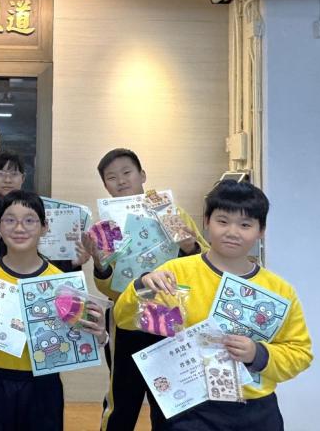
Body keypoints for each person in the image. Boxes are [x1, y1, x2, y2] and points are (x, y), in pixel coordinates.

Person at [113, 180, 313, 431]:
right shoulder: (175, 273)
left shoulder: (279, 290)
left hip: (255, 411)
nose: (232, 232)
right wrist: (142, 286)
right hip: (188, 406)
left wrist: (258, 354)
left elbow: (300, 353)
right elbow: (125, 319)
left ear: (261, 230)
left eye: (245, 225)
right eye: (223, 221)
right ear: (207, 221)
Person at [0, 190, 108, 431]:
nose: (19, 228)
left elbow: (80, 341)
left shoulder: (62, 284)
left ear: (44, 228)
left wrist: (100, 335)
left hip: (43, 387)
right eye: (10, 220)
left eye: (29, 220)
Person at [88, 148, 209, 431]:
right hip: (127, 317)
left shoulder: (171, 212)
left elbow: (203, 263)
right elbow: (107, 288)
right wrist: (100, 265)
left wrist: (189, 245)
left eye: (127, 172)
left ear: (142, 175)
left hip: (171, 315)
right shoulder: (106, 226)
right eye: (112, 177)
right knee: (122, 398)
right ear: (105, 185)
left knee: (170, 400)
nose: (121, 181)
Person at [0, 149, 90, 273]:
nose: (7, 180)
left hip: (33, 285)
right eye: (1, 173)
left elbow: (51, 266)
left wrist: (72, 264)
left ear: (23, 178)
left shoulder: (41, 215)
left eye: (14, 174)